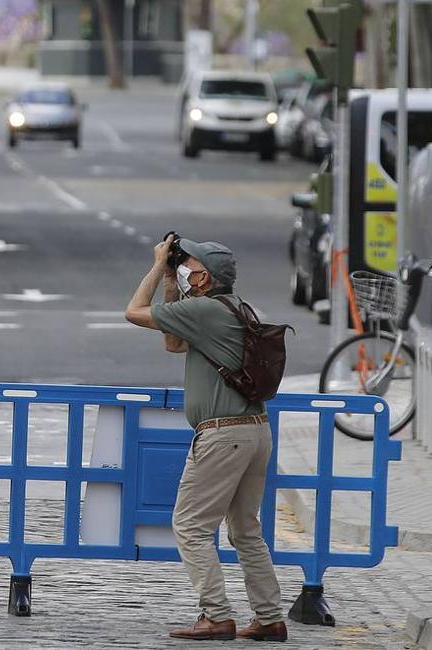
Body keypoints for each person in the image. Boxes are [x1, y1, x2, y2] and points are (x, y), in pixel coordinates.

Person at [124, 234, 287, 643]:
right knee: (246, 530)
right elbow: (174, 344)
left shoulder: (205, 310)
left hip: (222, 436)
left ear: (203, 277)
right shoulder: (237, 307)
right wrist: (171, 282)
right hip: (255, 432)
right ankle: (269, 618)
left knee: (190, 525)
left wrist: (159, 265)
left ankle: (216, 616)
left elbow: (134, 312)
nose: (181, 269)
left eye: (187, 266)